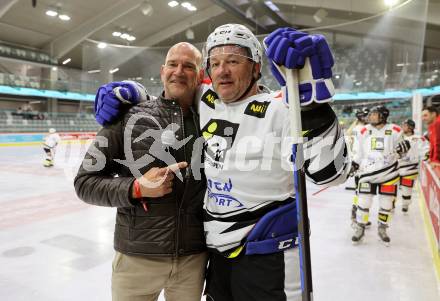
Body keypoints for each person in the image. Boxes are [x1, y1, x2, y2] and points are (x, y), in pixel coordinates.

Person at [95, 24, 350, 301]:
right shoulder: (207, 100)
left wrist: (312, 108)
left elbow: (333, 175)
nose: (222, 70)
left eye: (233, 61)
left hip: (267, 253)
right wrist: (131, 92)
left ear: (255, 68)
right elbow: (176, 84)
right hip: (217, 254)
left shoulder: (281, 108)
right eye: (215, 63)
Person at [74, 43, 208, 301]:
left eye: (188, 66)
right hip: (137, 259)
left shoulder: (211, 120)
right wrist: (136, 188)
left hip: (193, 260)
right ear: (162, 71)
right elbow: (85, 183)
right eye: (173, 64)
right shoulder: (127, 118)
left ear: (200, 74)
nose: (179, 71)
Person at [351, 105, 410, 245]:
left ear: (383, 116)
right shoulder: (363, 130)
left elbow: (402, 152)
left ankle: (382, 228)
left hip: (389, 174)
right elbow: (359, 153)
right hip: (367, 173)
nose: (370, 116)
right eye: (370, 114)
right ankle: (360, 227)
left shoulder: (395, 130)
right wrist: (354, 164)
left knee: (386, 204)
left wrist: (404, 148)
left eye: (374, 114)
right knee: (363, 202)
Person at [397, 119, 429, 213]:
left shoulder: (418, 138)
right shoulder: (397, 136)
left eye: (405, 125)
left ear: (410, 127)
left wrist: (426, 154)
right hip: (395, 166)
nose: (403, 126)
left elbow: (425, 149)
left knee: (406, 190)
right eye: (402, 124)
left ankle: (405, 203)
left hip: (410, 167)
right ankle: (390, 204)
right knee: (392, 188)